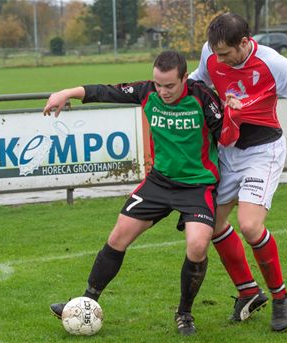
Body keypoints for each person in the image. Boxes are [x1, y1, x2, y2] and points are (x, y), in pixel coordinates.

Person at [43, 51, 227, 336]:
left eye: (169, 85)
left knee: (198, 245)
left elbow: (227, 137)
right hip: (159, 183)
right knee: (118, 236)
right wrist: (66, 92)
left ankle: (184, 313)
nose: (162, 91)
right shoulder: (146, 92)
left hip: (198, 185)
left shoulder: (203, 98)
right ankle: (86, 303)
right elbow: (105, 92)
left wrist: (236, 119)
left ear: (185, 79)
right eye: (158, 84)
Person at [189, 13, 287, 332]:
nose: (220, 60)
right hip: (228, 149)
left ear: (245, 43)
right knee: (210, 226)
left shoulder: (274, 64)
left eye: (226, 54)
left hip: (263, 152)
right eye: (215, 53)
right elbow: (198, 80)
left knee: (250, 226)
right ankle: (247, 292)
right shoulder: (211, 53)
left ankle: (281, 297)